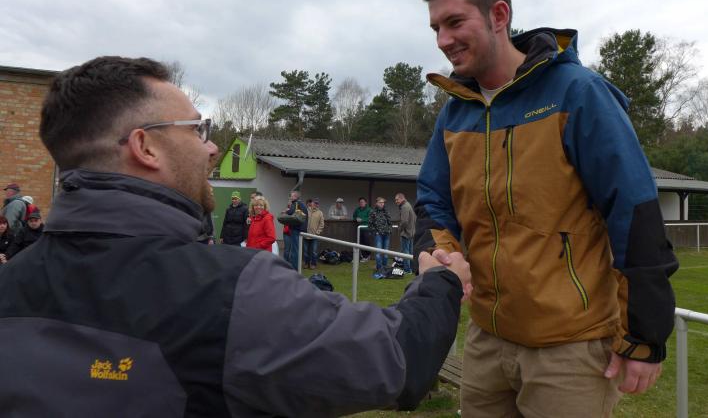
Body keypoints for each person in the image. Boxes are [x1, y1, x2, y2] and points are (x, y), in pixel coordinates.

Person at [0, 56, 472, 416]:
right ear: (145, 146)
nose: (211, 147)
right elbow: (396, 359)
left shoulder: (11, 285)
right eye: (198, 129)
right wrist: (439, 284)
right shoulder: (232, 293)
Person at [415, 0, 678, 417]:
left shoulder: (578, 92)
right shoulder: (455, 112)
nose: (443, 40)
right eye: (436, 27)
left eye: (454, 22)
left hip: (570, 349)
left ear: (499, 15)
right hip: (485, 339)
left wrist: (644, 334)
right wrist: (437, 253)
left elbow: (634, 210)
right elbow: (432, 200)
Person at [368, 197, 393, 279]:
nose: (382, 204)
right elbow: (370, 225)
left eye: (383, 202)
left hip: (387, 234)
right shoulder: (373, 212)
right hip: (378, 235)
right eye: (380, 202)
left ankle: (385, 269)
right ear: (377, 203)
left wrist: (389, 230)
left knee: (385, 253)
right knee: (378, 253)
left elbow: (390, 222)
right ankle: (379, 269)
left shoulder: (386, 211)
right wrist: (376, 232)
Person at [282, 190, 307, 269]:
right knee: (296, 249)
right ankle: (296, 267)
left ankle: (294, 268)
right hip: (300, 229)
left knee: (294, 250)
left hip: (296, 230)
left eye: (292, 196)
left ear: (296, 197)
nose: (290, 197)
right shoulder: (301, 204)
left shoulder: (296, 203)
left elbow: (291, 212)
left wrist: (286, 212)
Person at [395, 193, 417, 274]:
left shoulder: (404, 206)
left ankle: (407, 270)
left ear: (402, 198)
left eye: (397, 199)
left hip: (406, 233)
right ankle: (412, 268)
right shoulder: (408, 204)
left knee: (406, 252)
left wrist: (400, 229)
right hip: (411, 232)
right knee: (410, 252)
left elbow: (404, 221)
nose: (396, 201)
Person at [305, 197, 325, 269]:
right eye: (315, 203)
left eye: (317, 203)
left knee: (314, 251)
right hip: (305, 234)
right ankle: (306, 263)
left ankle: (313, 264)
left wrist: (317, 232)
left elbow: (322, 224)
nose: (316, 204)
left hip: (314, 235)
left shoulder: (320, 213)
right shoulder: (306, 211)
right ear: (312, 203)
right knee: (305, 251)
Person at [353, 196, 373, 261]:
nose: (361, 203)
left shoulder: (369, 210)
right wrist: (356, 219)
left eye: (362, 202)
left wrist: (362, 219)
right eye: (360, 202)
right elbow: (354, 216)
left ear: (365, 203)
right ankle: (364, 256)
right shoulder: (357, 209)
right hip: (359, 229)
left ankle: (368, 255)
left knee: (366, 242)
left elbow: (371, 218)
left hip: (367, 228)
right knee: (361, 242)